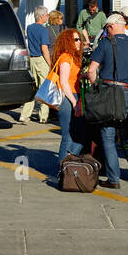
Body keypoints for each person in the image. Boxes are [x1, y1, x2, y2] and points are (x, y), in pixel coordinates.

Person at [85, 13, 128, 189]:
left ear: (111, 27)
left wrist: (95, 85)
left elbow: (91, 71)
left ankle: (113, 179)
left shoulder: (105, 44)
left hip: (109, 92)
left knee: (108, 136)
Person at [48, 28, 84, 173]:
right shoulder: (65, 57)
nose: (79, 42)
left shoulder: (73, 57)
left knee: (77, 134)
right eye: (76, 39)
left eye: (79, 39)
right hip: (68, 98)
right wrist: (74, 102)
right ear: (68, 41)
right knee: (68, 135)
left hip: (74, 96)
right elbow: (64, 82)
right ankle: (62, 168)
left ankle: (66, 162)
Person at [22, 7, 54, 124]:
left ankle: (25, 115)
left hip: (32, 60)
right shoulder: (43, 30)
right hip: (41, 59)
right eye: (46, 15)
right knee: (44, 88)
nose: (47, 17)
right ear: (41, 16)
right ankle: (43, 116)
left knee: (32, 88)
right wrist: (50, 63)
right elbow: (44, 48)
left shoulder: (29, 28)